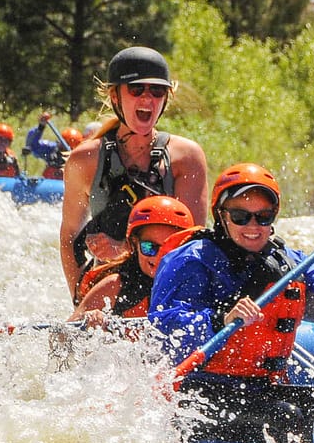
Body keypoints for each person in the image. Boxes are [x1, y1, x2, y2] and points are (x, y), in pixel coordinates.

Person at [149, 163, 314, 443]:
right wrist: (219, 318)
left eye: (263, 217)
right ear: (222, 216)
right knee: (287, 417)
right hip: (201, 391)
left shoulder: (287, 260)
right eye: (241, 217)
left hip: (262, 388)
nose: (253, 227)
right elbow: (163, 328)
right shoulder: (193, 260)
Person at [60, 46, 208, 303]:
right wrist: (80, 296)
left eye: (157, 91)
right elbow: (70, 236)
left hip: (169, 285)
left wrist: (125, 248)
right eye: (136, 89)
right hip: (110, 288)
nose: (147, 99)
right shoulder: (84, 160)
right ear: (115, 96)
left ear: (165, 98)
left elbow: (191, 241)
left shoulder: (187, 158)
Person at [70, 195, 195, 327]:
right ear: (133, 245)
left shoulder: (195, 282)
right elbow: (58, 337)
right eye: (149, 247)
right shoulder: (115, 286)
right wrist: (86, 319)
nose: (158, 256)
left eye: (169, 248)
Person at [25, 112, 83, 179]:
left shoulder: (79, 160)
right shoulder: (52, 149)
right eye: (61, 143)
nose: (61, 146)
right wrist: (41, 127)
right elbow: (33, 146)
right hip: (49, 185)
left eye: (64, 146)